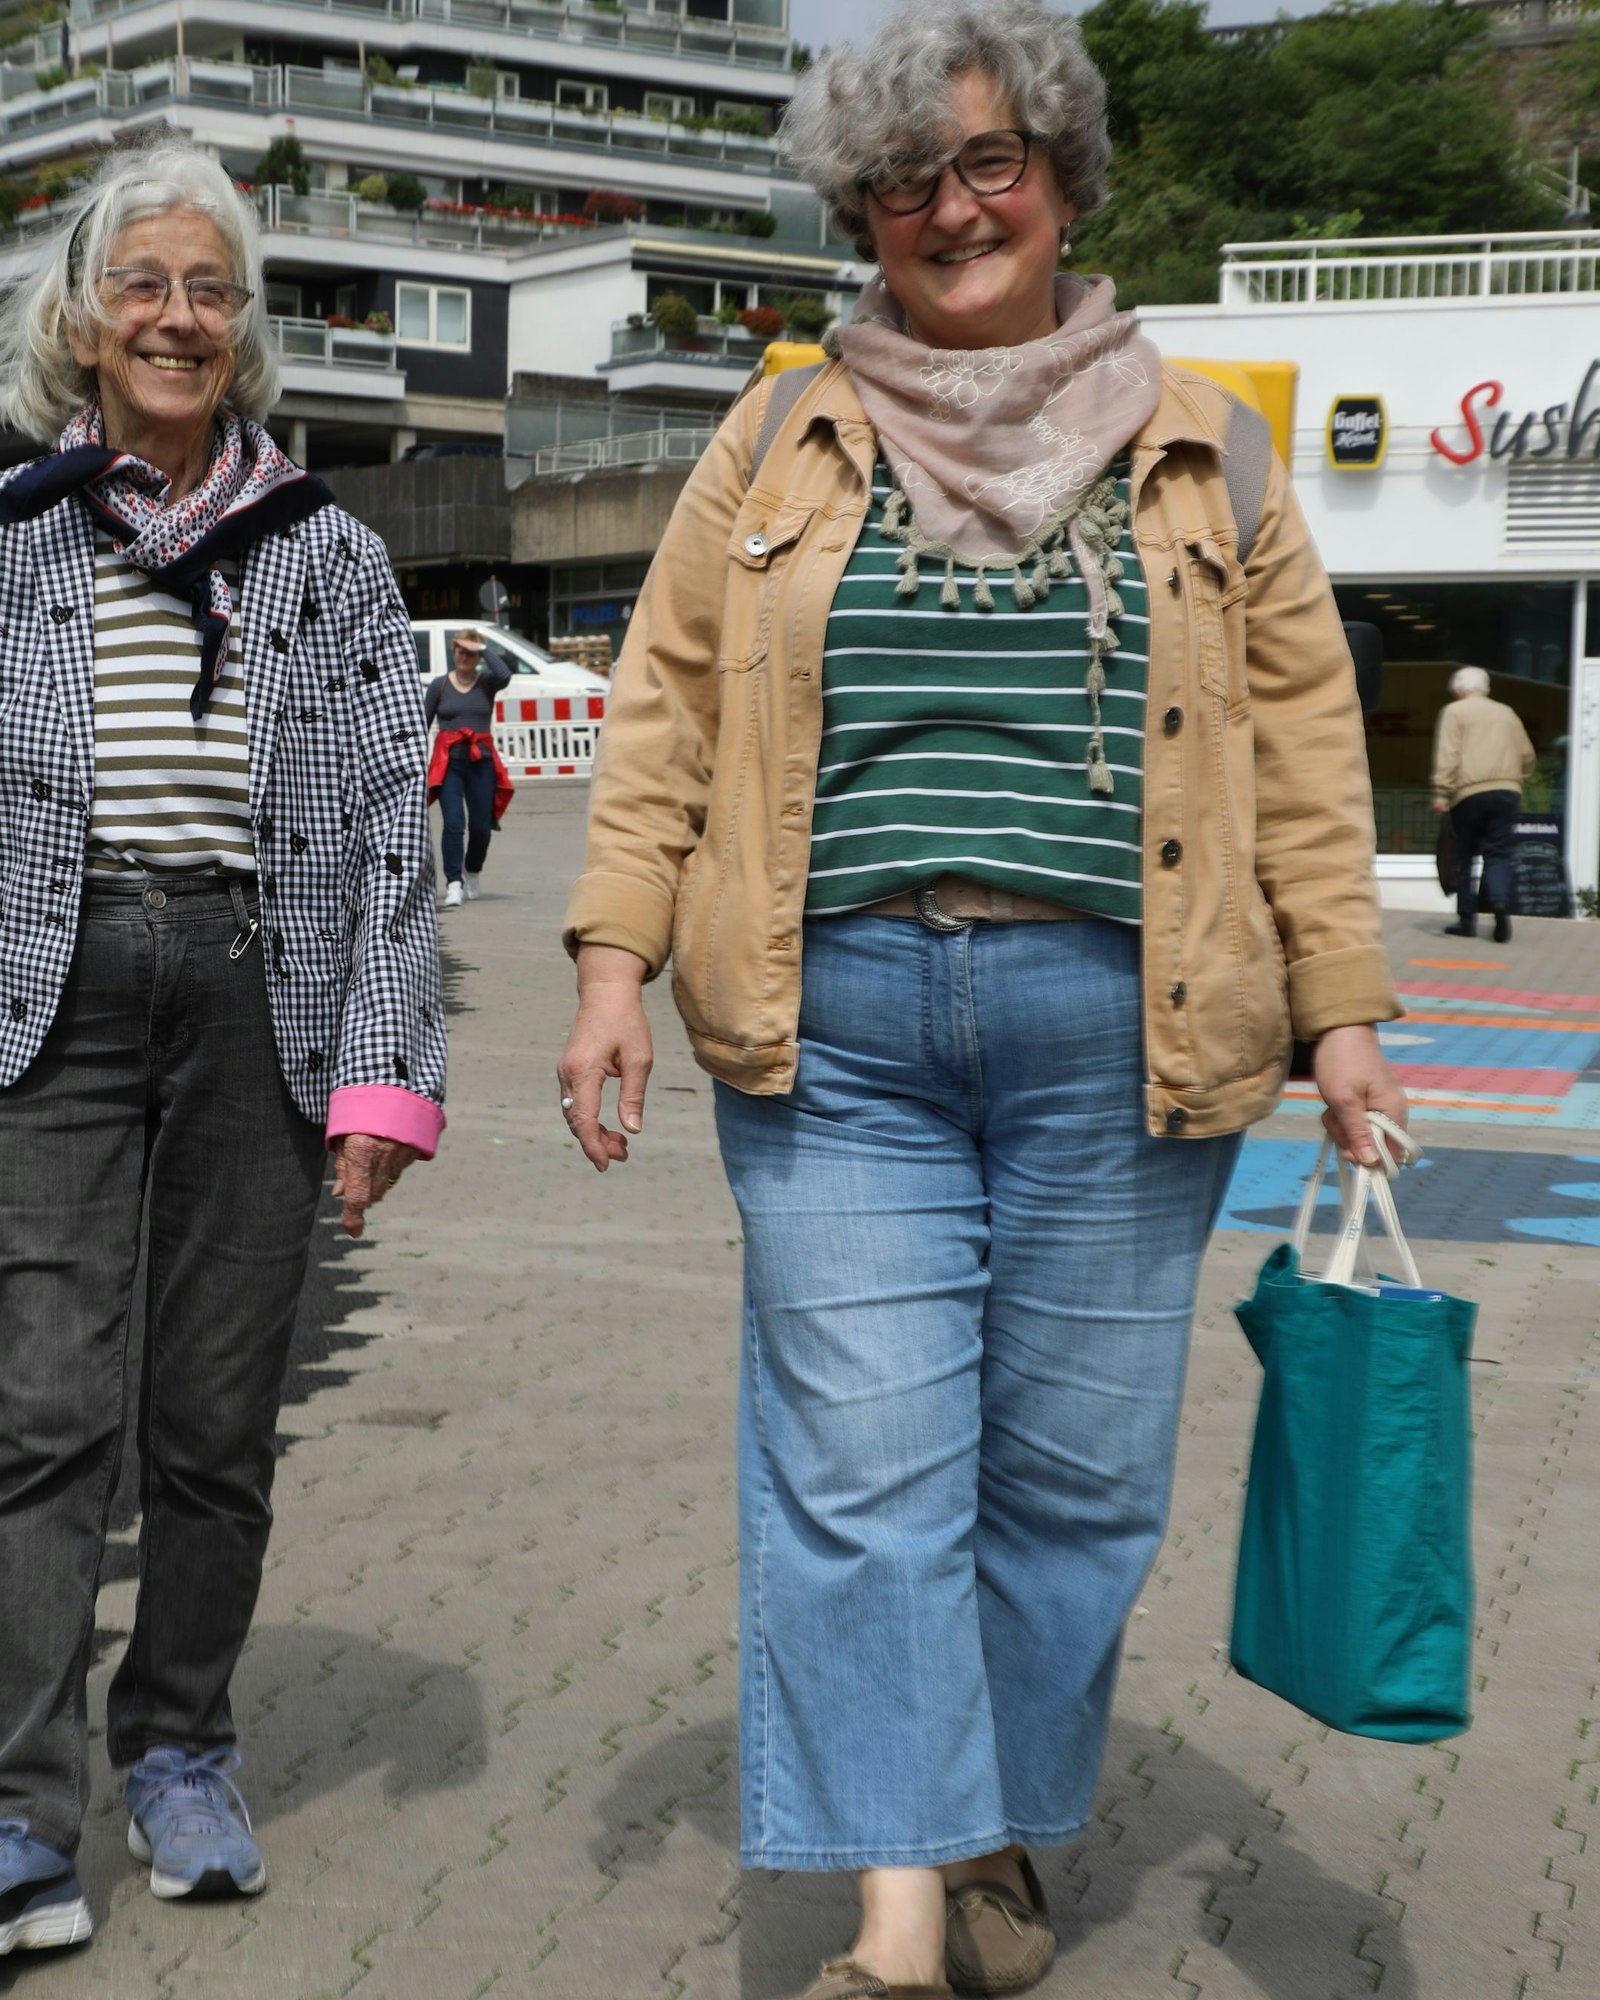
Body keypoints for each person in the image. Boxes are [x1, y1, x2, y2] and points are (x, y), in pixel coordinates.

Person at [555, 6, 1407, 1997]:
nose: (951, 210)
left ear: (1062, 174)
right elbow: (667, 703)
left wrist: (1346, 1017)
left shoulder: (1209, 445)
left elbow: (1301, 752)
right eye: (903, 183)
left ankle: (1001, 1817)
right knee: (859, 1466)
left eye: (986, 162)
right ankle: (897, 1912)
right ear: (859, 217)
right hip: (829, 1014)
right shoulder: (774, 435)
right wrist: (608, 962)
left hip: (1127, 1029)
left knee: (1079, 1480)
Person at [0, 144, 445, 1958]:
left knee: (210, 1421)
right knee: (42, 1415)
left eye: (210, 289)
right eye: (146, 285)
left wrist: (383, 1072)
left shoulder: (327, 552)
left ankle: (182, 1743)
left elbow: (379, 831)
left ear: (241, 325)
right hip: (52, 990)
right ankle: (15, 1823)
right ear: (88, 318)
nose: (178, 319)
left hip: (260, 984)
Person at [1432, 664, 1534, 942]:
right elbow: (1527, 755)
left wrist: (1442, 793)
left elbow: (1448, 754)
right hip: (1507, 792)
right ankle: (1500, 905)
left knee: (1466, 858)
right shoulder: (1507, 713)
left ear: (1460, 689)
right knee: (1499, 854)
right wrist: (1516, 780)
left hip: (1469, 794)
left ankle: (1467, 921)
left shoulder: (1455, 712)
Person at [424, 627, 511, 907]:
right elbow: (422, 724)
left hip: (480, 762)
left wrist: (481, 647)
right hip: (449, 762)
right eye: (459, 650)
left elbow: (505, 675)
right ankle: (453, 883)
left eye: (469, 652)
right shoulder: (440, 685)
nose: (463, 656)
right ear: (453, 652)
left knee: (481, 827)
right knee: (453, 823)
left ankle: (472, 870)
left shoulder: (487, 683)